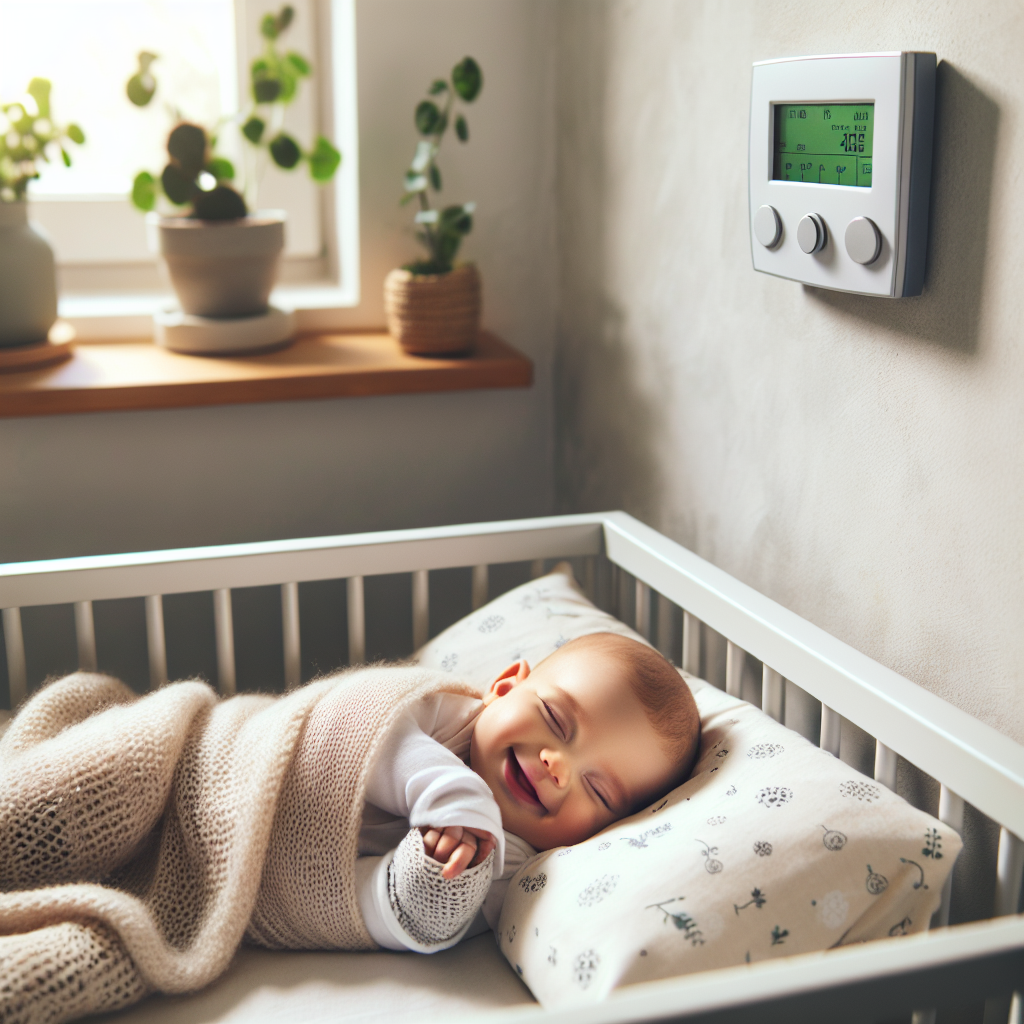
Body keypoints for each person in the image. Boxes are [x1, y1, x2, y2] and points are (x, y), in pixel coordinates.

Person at [357, 631, 700, 952]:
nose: (558, 768)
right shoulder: (443, 711)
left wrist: (432, 883)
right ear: (505, 687)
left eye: (598, 790)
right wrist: (452, 794)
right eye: (554, 719)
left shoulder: (511, 866)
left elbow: (384, 917)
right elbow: (361, 728)